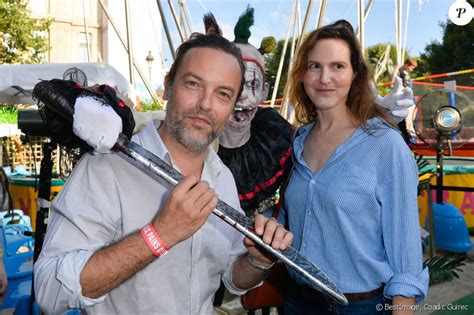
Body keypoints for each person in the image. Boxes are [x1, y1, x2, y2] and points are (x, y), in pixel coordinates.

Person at [33, 33, 293, 314]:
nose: (206, 104)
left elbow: (232, 277)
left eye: (223, 94)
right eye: (193, 84)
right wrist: (159, 234)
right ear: (168, 87)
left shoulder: (223, 179)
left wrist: (258, 261)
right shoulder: (106, 168)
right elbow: (49, 290)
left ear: (231, 106)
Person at [281, 19, 429, 314]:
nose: (325, 78)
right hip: (298, 301)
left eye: (337, 66)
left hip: (359, 305)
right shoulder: (298, 141)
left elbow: (406, 256)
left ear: (355, 75)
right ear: (302, 75)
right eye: (314, 66)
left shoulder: (385, 145)